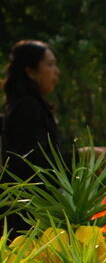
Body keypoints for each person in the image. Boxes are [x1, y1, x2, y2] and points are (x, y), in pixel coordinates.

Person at [1, 40, 65, 233]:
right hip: (27, 215)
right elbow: (35, 161)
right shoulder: (27, 107)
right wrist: (81, 156)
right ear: (30, 71)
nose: (57, 71)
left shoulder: (24, 104)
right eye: (50, 64)